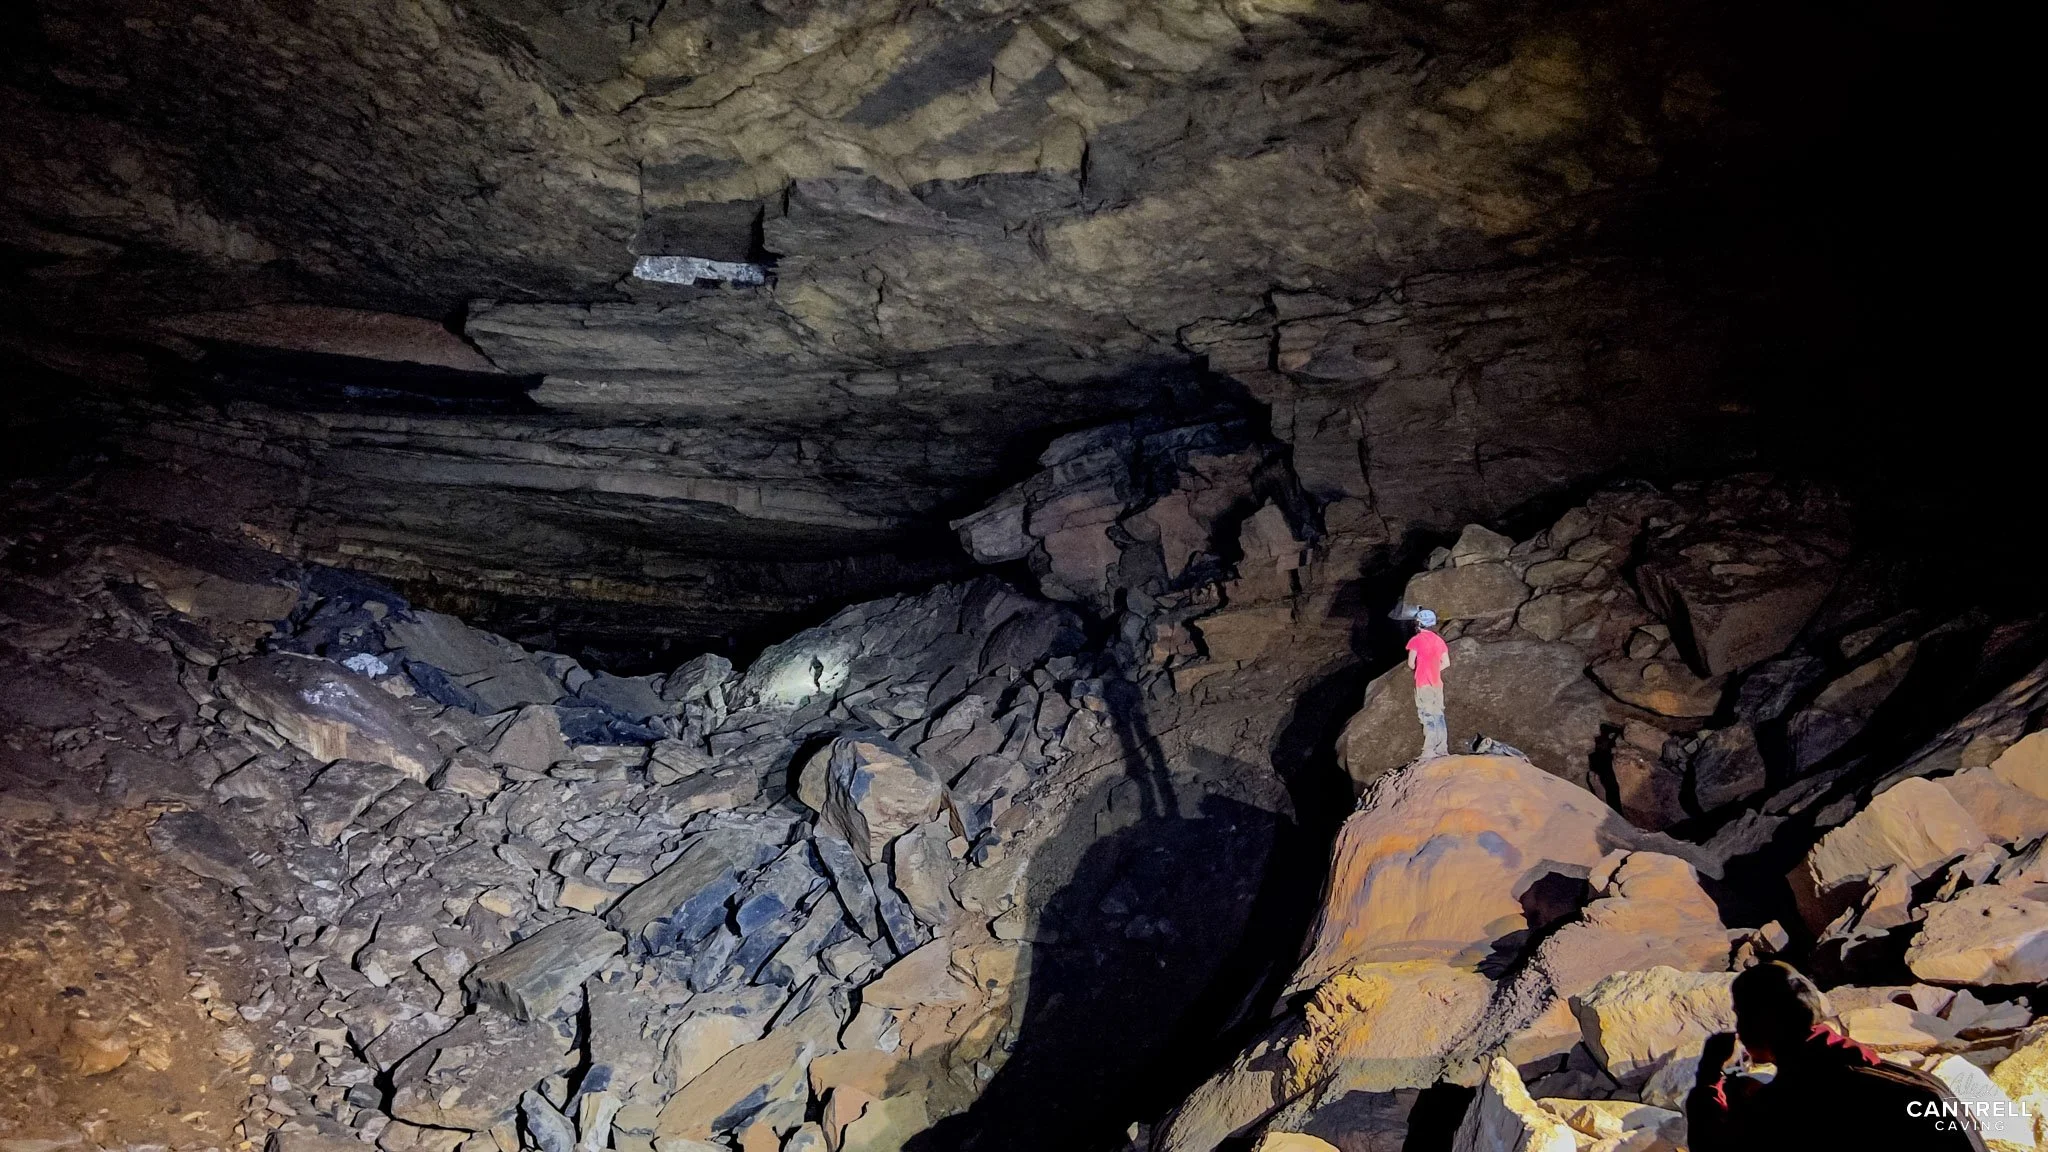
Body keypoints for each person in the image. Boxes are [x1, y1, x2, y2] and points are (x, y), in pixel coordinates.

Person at [1688, 961, 1988, 1151]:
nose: (1738, 1027)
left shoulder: (1794, 1103)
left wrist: (1708, 1079)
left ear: (1761, 1024)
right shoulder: (1893, 1077)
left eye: (1741, 1015)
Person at [1405, 608, 1450, 759]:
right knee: (1439, 714)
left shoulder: (1415, 640)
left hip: (1423, 682)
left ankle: (1429, 750)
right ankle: (1442, 748)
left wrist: (1421, 669)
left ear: (1418, 624)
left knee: (1427, 715)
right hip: (1437, 683)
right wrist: (1435, 669)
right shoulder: (1439, 641)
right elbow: (1446, 663)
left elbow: (1411, 663)